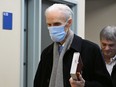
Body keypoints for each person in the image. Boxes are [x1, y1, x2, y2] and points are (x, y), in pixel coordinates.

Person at [34, 4, 113, 87]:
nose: (52, 28)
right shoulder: (47, 53)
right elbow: (38, 83)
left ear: (69, 23)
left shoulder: (90, 50)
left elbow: (106, 84)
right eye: (49, 25)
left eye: (57, 24)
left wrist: (84, 85)